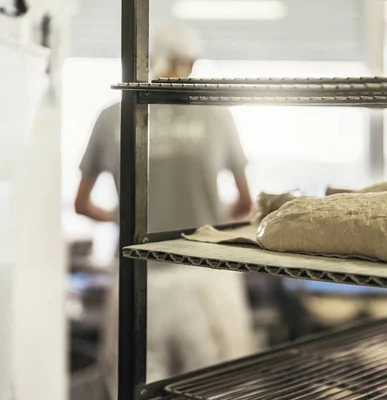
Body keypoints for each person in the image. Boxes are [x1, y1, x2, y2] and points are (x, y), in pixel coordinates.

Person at [75, 26, 254, 399]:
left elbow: (82, 204)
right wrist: (206, 215)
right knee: (215, 386)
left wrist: (129, 218)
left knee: (135, 385)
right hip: (205, 272)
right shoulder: (215, 114)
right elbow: (244, 204)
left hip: (135, 274)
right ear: (185, 62)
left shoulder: (112, 116)